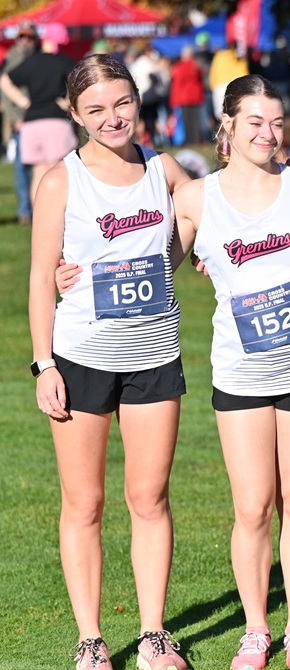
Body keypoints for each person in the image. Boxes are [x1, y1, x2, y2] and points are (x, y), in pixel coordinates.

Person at [171, 73, 290, 670]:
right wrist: (74, 274)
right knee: (252, 506)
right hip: (240, 374)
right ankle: (256, 629)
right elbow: (156, 263)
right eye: (255, 121)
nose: (268, 134)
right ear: (227, 124)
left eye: (277, 122)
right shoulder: (198, 198)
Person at [29, 53, 193, 670]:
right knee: (85, 501)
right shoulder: (61, 181)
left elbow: (191, 232)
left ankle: (153, 636)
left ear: (138, 100)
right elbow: (42, 279)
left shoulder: (165, 169)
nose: (112, 117)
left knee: (149, 498)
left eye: (121, 102)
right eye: (95, 109)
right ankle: (91, 641)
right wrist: (44, 364)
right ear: (74, 114)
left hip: (154, 355)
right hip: (80, 359)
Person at [0, 21, 77, 205]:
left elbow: (5, 81)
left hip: (31, 123)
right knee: (57, 171)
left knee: (38, 173)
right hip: (56, 122)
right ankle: (57, 216)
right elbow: (82, 84)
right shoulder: (65, 62)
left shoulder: (31, 62)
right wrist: (67, 102)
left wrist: (25, 102)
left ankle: (39, 219)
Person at [1, 22, 38, 224]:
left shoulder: (39, 55)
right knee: (22, 167)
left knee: (43, 167)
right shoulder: (12, 58)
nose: (26, 41)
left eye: (29, 37)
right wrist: (15, 119)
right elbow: (6, 93)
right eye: (22, 37)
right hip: (22, 122)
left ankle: (39, 208)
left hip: (40, 119)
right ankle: (25, 210)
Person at [169, 45, 205, 146]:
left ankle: (190, 141)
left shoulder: (179, 67)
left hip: (184, 98)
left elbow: (177, 85)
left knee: (187, 122)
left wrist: (174, 101)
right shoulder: (196, 65)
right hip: (196, 97)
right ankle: (196, 140)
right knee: (195, 121)